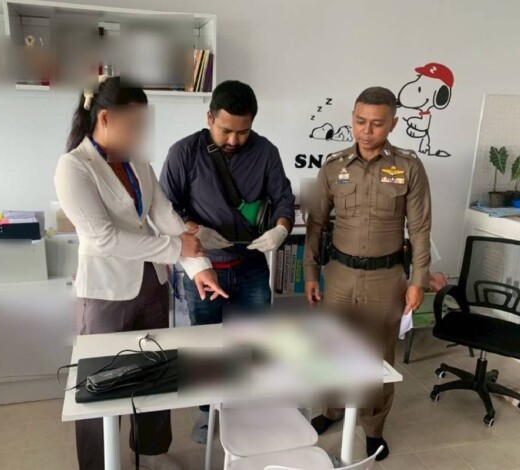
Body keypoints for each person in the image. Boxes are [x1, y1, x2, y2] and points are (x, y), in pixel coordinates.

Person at [54, 75, 227, 470]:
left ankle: (151, 453)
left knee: (155, 372)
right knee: (100, 384)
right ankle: (99, 465)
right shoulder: (74, 167)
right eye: (133, 125)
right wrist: (176, 248)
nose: (139, 134)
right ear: (105, 118)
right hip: (105, 292)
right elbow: (103, 238)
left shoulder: (137, 161)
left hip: (151, 283)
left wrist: (199, 268)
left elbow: (164, 215)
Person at [159, 80, 295, 443]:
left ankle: (248, 407)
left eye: (243, 131)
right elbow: (165, 208)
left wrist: (281, 229)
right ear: (209, 118)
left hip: (251, 267)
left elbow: (283, 198)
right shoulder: (184, 153)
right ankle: (208, 413)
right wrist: (195, 229)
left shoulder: (265, 152)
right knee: (207, 347)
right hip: (203, 269)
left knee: (252, 342)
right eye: (225, 130)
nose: (234, 140)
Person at [303, 86, 431, 461]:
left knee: (377, 357)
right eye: (360, 121)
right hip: (339, 275)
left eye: (377, 123)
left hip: (385, 278)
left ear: (393, 123)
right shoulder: (333, 165)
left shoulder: (409, 167)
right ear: (352, 119)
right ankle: (332, 409)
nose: (367, 130)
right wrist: (310, 272)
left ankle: (373, 428)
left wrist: (418, 280)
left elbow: (420, 228)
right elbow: (315, 224)